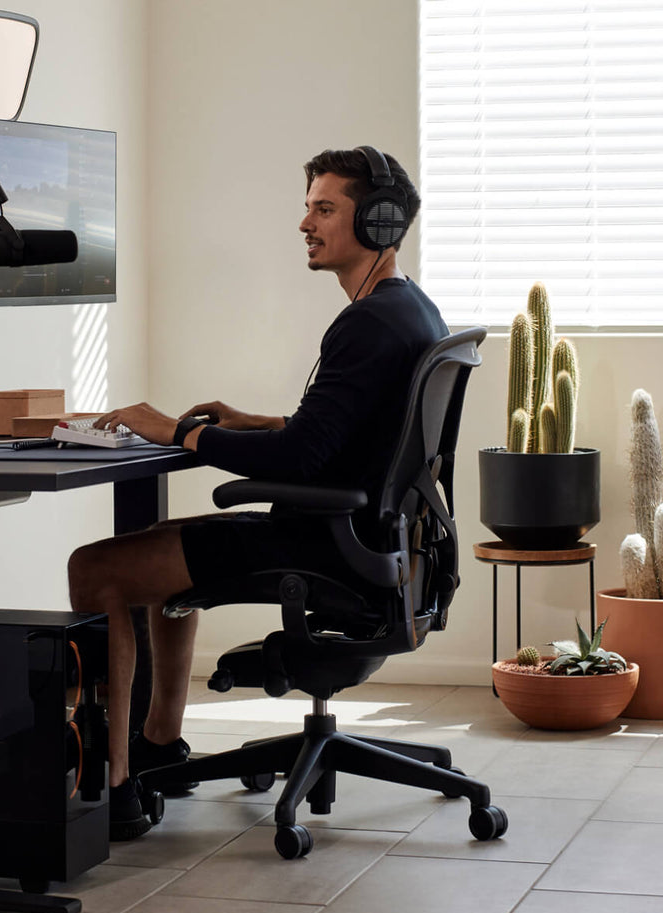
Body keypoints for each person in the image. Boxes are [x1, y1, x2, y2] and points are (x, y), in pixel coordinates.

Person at [67, 147, 449, 841]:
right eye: (309, 205)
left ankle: (115, 786)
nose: (306, 222)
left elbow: (303, 457)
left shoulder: (366, 325)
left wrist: (177, 433)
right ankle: (158, 742)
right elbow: (346, 435)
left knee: (96, 569)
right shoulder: (409, 311)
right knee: (155, 547)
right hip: (371, 540)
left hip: (327, 545)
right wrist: (257, 421)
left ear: (379, 222)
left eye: (325, 208)